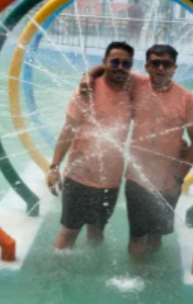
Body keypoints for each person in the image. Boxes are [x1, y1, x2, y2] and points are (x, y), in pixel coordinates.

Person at [47, 42, 135, 250]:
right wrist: (54, 168)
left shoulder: (134, 90)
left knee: (97, 231)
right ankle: (58, 268)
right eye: (114, 62)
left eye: (125, 63)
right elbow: (68, 130)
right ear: (104, 62)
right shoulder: (86, 92)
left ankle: (93, 265)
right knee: (69, 231)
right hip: (80, 176)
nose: (120, 67)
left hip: (110, 181)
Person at [123, 45, 193, 257]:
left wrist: (179, 178)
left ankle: (150, 272)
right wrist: (87, 77)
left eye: (166, 64)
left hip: (168, 180)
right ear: (147, 66)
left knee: (156, 235)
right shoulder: (136, 86)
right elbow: (107, 69)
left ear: (174, 67)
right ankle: (138, 274)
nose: (160, 68)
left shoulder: (186, 98)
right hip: (137, 177)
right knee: (137, 235)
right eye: (155, 64)